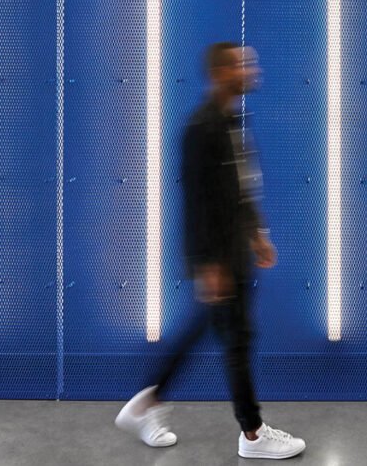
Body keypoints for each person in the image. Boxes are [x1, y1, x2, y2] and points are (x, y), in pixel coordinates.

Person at [116, 42, 306, 460]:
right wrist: (207, 264)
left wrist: (257, 233)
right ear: (222, 73)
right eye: (243, 64)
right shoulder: (200, 128)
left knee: (215, 332)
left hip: (234, 249)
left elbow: (241, 185)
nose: (252, 69)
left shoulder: (232, 120)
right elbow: (196, 202)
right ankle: (253, 434)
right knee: (236, 341)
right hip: (219, 257)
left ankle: (145, 405)